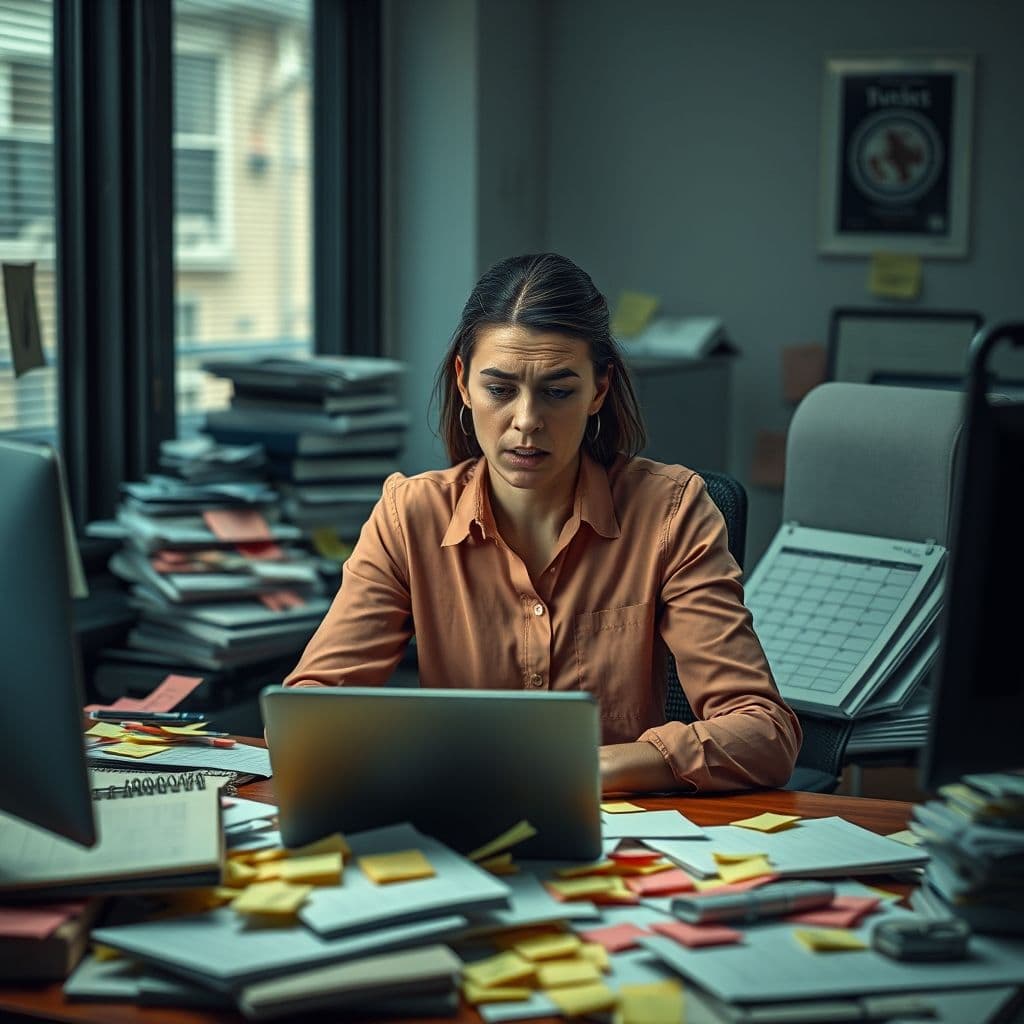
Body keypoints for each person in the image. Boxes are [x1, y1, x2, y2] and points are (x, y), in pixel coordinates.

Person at [284, 253, 801, 794]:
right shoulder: (408, 517)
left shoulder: (671, 511)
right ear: (463, 383)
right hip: (460, 829)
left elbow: (764, 734)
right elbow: (306, 716)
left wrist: (594, 767)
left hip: (620, 835)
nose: (527, 421)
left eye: (558, 392)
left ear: (599, 390)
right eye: (500, 390)